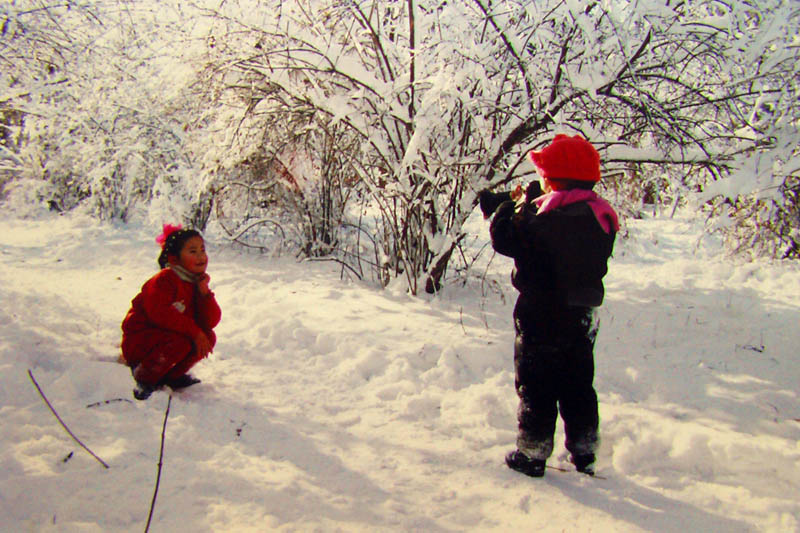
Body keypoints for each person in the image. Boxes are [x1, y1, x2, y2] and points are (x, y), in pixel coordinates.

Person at [481, 134, 618, 477]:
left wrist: (503, 209)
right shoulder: (599, 216)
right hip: (581, 315)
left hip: (540, 313)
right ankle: (585, 450)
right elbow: (562, 216)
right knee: (577, 384)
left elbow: (505, 239)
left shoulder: (540, 219)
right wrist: (532, 200)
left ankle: (533, 451)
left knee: (537, 385)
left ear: (556, 180)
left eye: (545, 176)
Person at [120, 224, 222, 400]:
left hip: (169, 339)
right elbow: (160, 313)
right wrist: (194, 332)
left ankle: (170, 377)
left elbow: (210, 322)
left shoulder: (194, 282)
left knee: (208, 337)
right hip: (142, 342)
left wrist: (205, 293)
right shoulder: (165, 279)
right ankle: (144, 377)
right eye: (193, 251)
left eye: (202, 250)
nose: (201, 256)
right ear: (175, 258)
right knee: (181, 342)